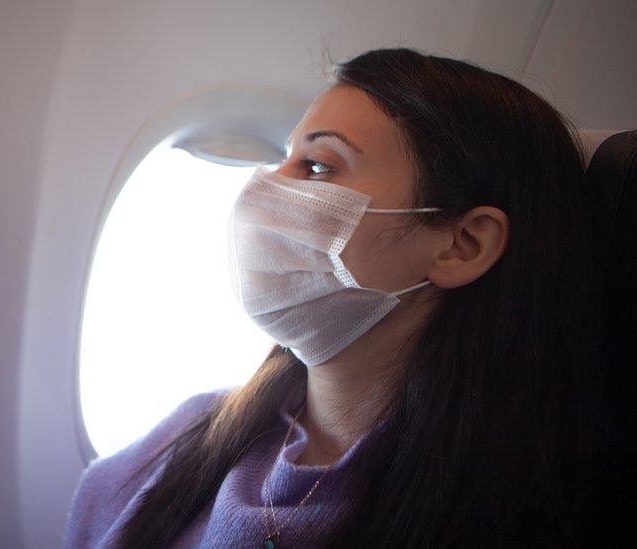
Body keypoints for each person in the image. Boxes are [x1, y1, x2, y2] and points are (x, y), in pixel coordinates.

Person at [63, 47, 603, 548]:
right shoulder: (194, 432)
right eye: (283, 158)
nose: (262, 191)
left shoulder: (520, 507)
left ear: (463, 245)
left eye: (318, 166)